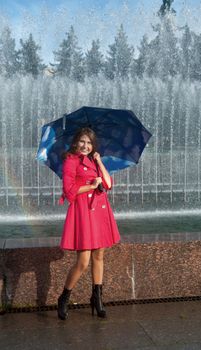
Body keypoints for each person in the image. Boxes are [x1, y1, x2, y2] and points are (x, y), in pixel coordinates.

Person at [57, 127, 120, 320]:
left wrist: (100, 161)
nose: (85, 146)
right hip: (83, 211)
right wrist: (91, 186)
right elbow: (69, 192)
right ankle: (64, 297)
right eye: (82, 142)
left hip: (100, 210)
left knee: (99, 255)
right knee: (83, 261)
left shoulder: (94, 159)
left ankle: (97, 298)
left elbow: (108, 184)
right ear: (76, 142)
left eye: (89, 143)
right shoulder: (71, 161)